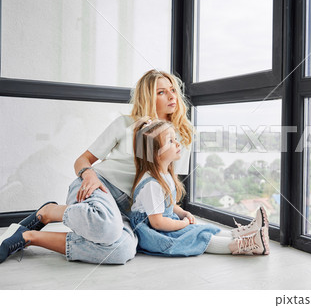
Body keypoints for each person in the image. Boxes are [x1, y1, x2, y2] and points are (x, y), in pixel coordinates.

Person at [0, 69, 193, 264]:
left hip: (130, 210)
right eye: (161, 92)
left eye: (173, 90)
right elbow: (82, 160)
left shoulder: (182, 137)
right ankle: (51, 211)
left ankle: (29, 238)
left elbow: (164, 184)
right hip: (99, 186)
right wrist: (89, 175)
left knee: (122, 250)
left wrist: (180, 212)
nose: (171, 96)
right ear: (148, 96)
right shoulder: (125, 124)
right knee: (107, 226)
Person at [128, 119, 270, 256]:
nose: (177, 144)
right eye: (170, 141)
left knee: (203, 228)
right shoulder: (152, 185)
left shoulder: (165, 175)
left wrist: (183, 213)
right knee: (198, 236)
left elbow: (167, 206)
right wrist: (183, 224)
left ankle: (244, 233)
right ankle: (245, 244)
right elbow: (158, 223)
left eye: (175, 139)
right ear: (155, 153)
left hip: (165, 224)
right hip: (154, 233)